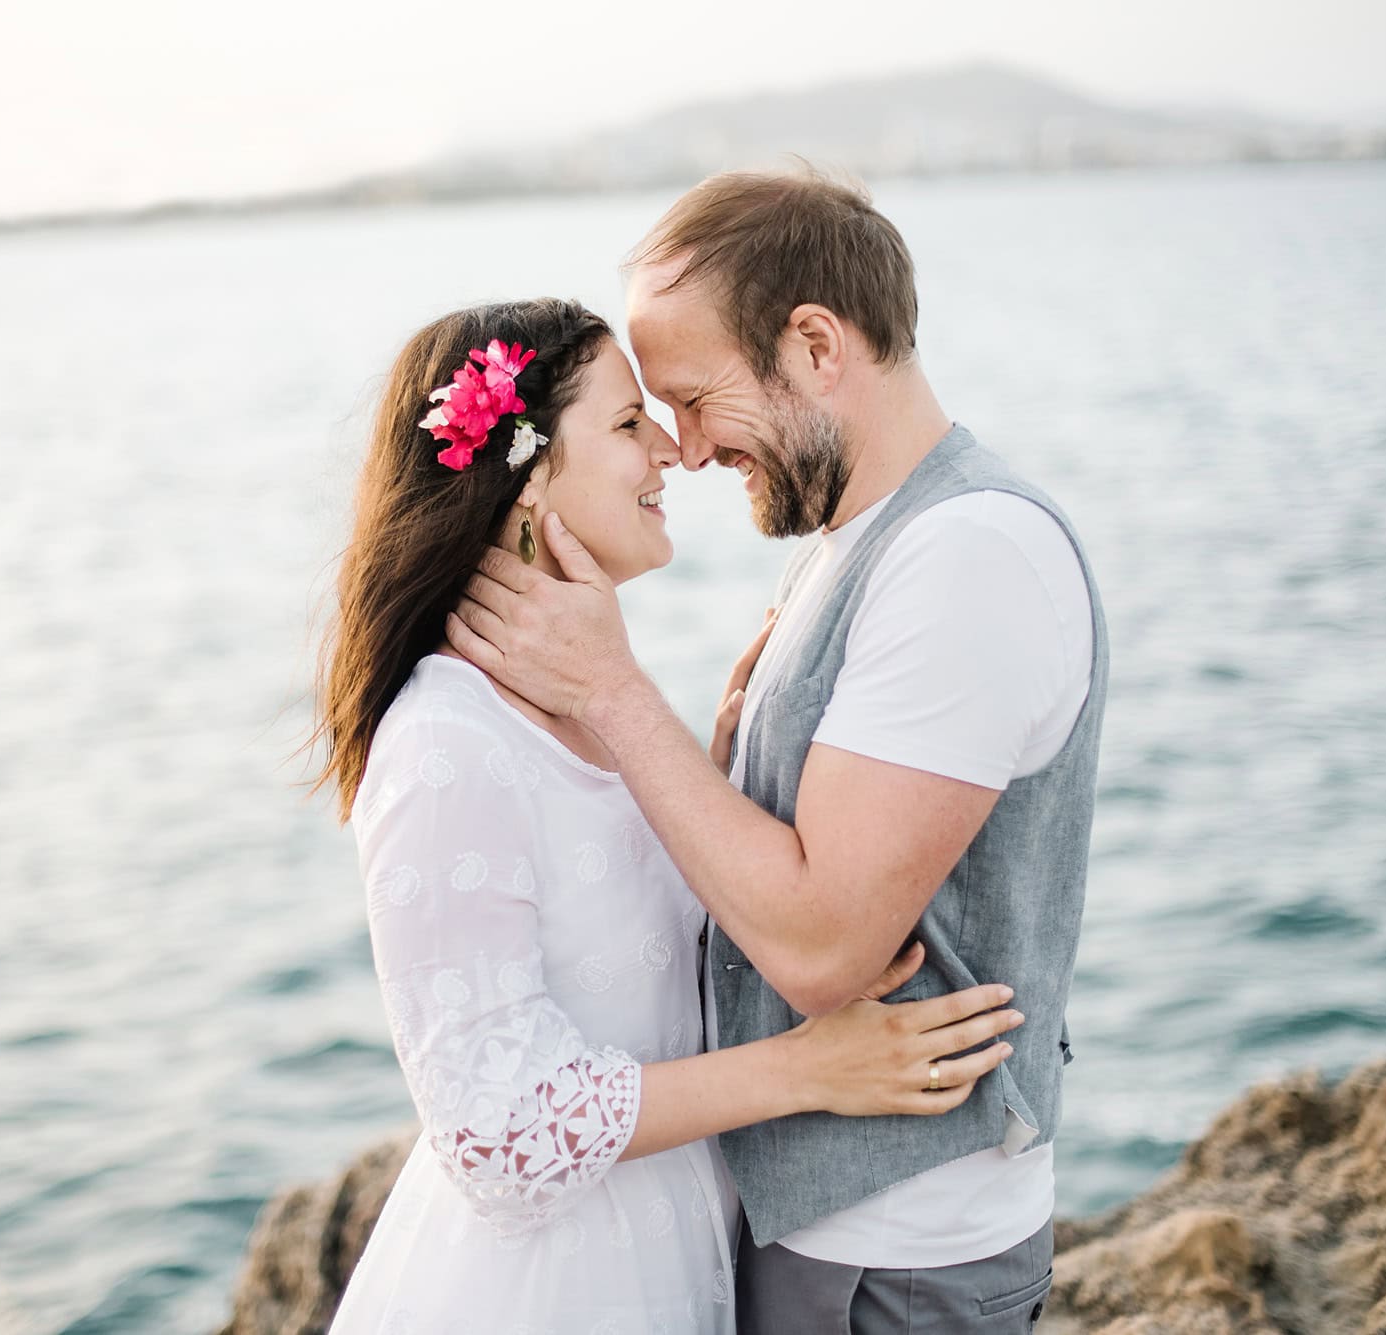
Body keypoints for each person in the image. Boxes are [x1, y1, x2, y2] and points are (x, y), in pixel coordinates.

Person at [448, 171, 1109, 1333]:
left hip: (895, 1260)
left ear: (813, 346)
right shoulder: (856, 541)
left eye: (695, 399)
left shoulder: (967, 557)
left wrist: (612, 691)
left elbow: (821, 950)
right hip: (814, 1235)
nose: (687, 450)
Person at [311, 297, 1023, 1332]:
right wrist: (807, 1070)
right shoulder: (445, 740)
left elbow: (627, 963)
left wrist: (725, 787)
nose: (670, 450)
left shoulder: (588, 700)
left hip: (666, 1246)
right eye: (625, 422)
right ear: (526, 475)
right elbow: (496, 1132)